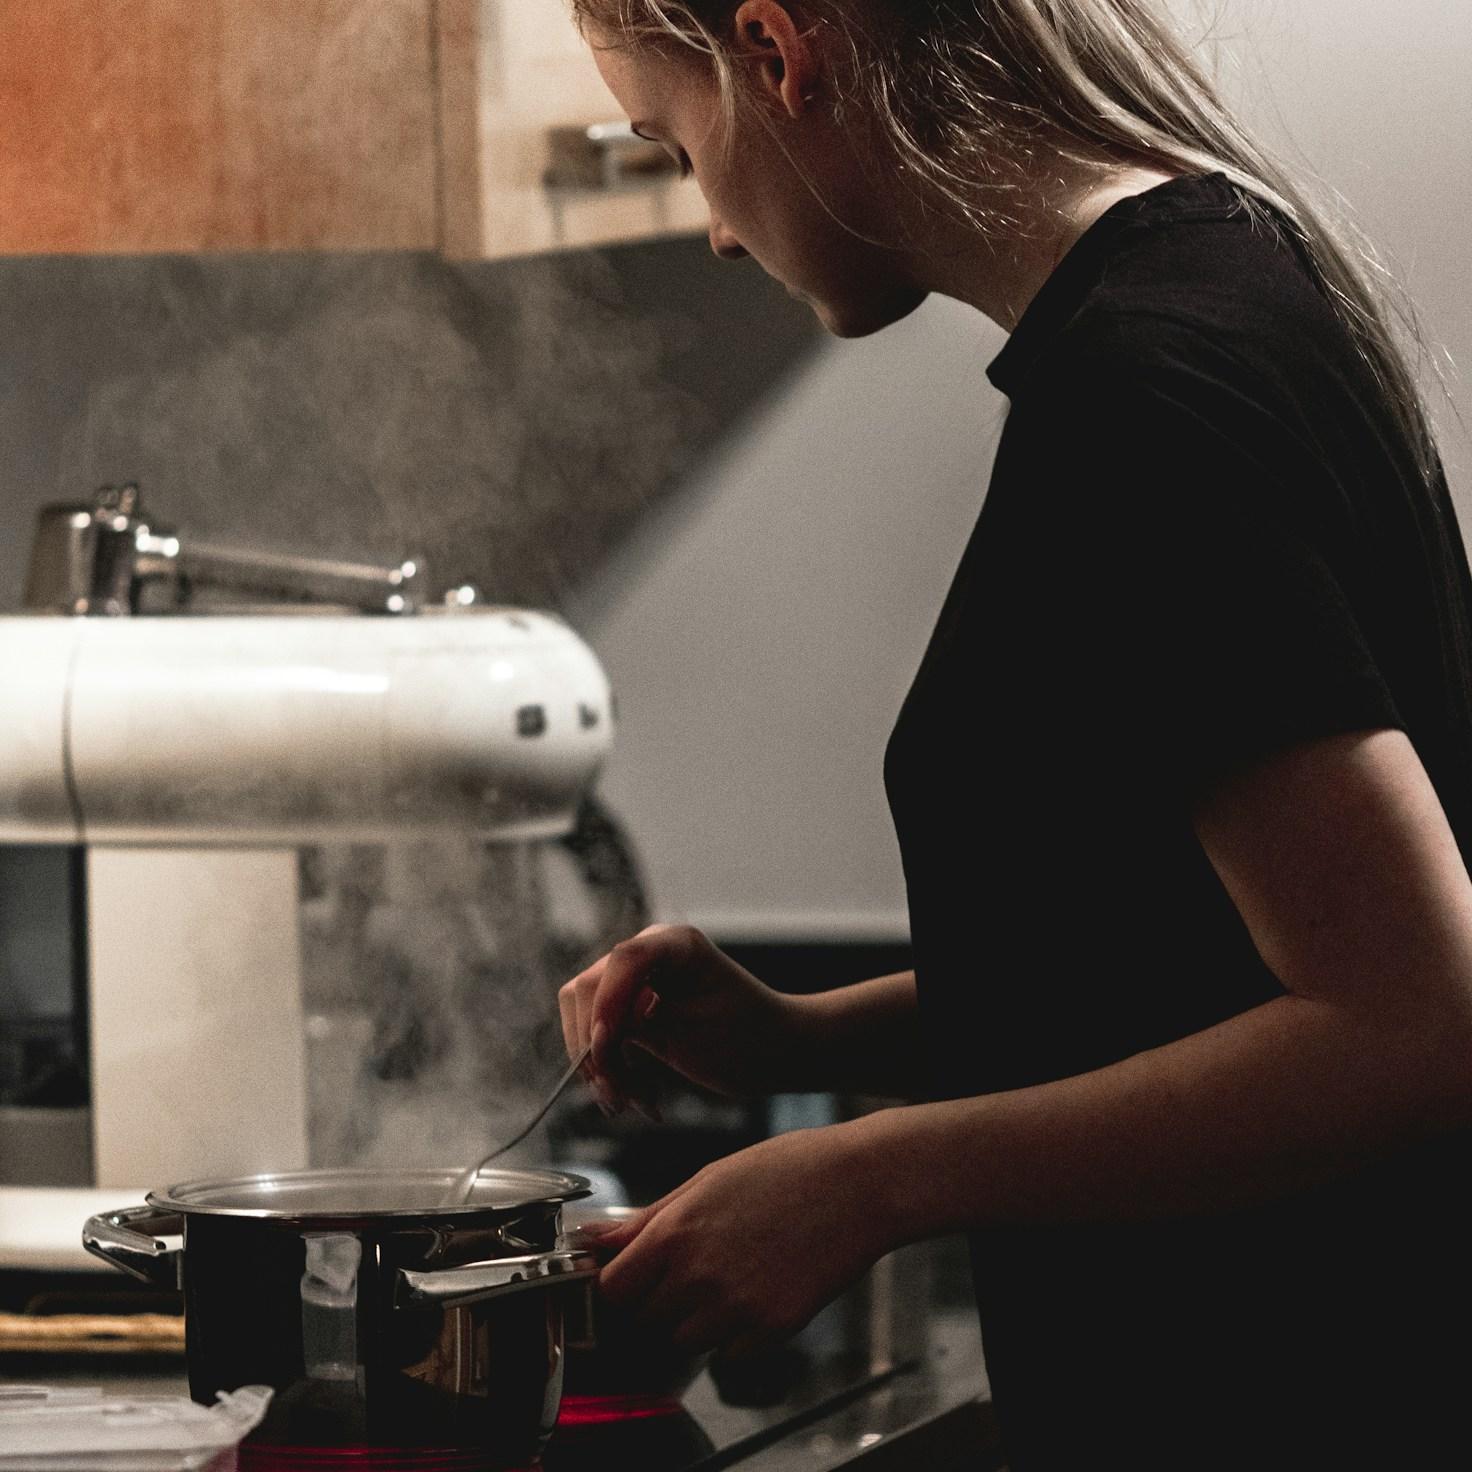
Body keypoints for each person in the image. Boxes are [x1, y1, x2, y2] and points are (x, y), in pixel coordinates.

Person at [556, 2, 1472, 1465]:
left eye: (676, 147)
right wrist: (806, 1036)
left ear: (778, 55)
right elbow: (1187, 957)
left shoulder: (1147, 390)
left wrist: (868, 1182)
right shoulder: (1227, 264)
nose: (715, 228)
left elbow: (1412, 1020)